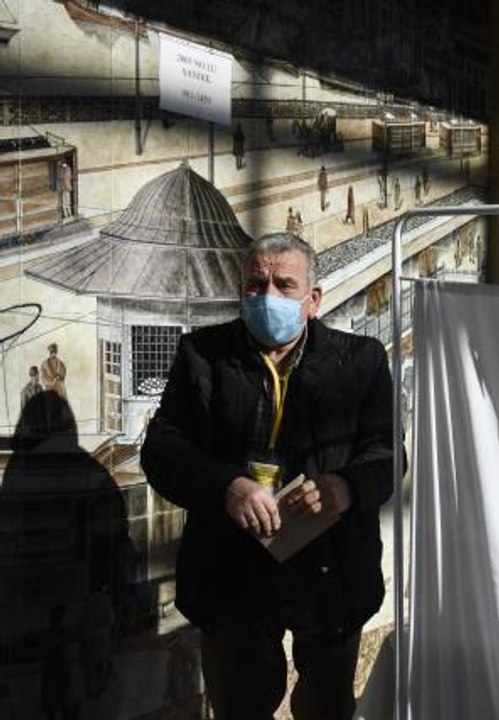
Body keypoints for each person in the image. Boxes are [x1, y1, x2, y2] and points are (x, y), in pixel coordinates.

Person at [141, 233, 401, 720]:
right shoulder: (203, 356)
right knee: (240, 705)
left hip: (331, 573)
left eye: (285, 285)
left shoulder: (360, 361)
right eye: (256, 284)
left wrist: (344, 488)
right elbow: (162, 450)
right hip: (233, 572)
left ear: (313, 299)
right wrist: (226, 486)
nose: (267, 297)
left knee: (326, 707)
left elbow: (388, 454)